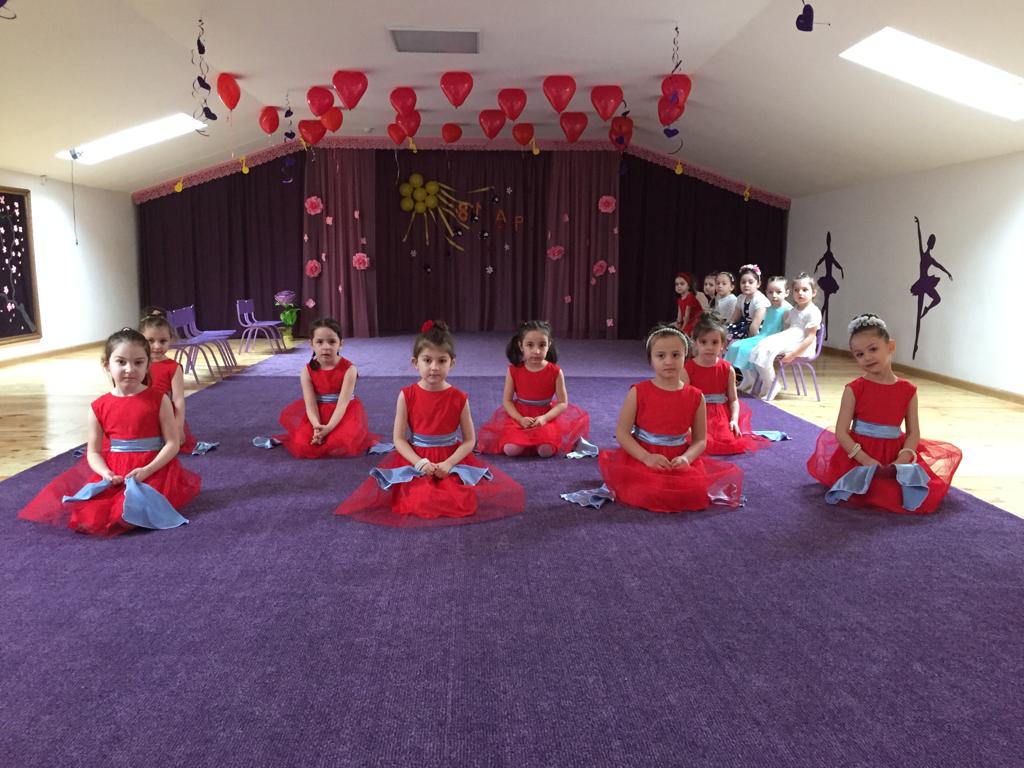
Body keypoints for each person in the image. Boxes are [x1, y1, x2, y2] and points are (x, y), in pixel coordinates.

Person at [336, 320, 525, 526]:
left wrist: (449, 464)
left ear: (452, 363)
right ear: (415, 362)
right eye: (427, 360)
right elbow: (399, 439)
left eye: (441, 361)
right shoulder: (407, 395)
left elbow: (469, 440)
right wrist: (420, 463)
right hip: (416, 458)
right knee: (420, 499)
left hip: (449, 458)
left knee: (458, 500)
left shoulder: (459, 398)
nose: (434, 367)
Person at [18, 329, 200, 536]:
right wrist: (105, 473)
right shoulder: (99, 406)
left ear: (148, 365)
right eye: (121, 362)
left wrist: (148, 470)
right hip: (115, 472)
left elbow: (172, 443)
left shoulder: (159, 400)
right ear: (106, 364)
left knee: (129, 509)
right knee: (90, 515)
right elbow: (94, 452)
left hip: (153, 468)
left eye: (138, 363)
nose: (130, 369)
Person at [807, 314, 962, 514]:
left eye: (873, 349)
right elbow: (841, 432)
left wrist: (904, 456)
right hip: (860, 453)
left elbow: (913, 432)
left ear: (890, 346)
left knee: (899, 492)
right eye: (859, 354)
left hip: (894, 455)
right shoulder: (854, 389)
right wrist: (864, 459)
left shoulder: (908, 390)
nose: (867, 357)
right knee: (866, 491)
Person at [594, 325, 743, 513]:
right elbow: (622, 433)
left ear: (685, 357)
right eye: (661, 356)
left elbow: (700, 440)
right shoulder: (638, 392)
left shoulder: (696, 396)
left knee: (691, 493)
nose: (669, 361)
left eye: (675, 355)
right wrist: (646, 458)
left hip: (678, 458)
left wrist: (687, 458)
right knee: (648, 491)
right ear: (650, 360)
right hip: (644, 454)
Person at [476, 320, 590, 457]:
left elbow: (562, 403)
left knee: (545, 451)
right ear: (521, 346)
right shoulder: (514, 370)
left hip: (545, 416)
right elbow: (507, 401)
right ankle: (525, 441)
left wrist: (545, 418)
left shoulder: (555, 371)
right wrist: (520, 419)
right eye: (530, 345)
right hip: (520, 416)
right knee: (511, 450)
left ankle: (537, 442)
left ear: (549, 345)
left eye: (542, 345)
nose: (536, 351)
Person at [276, 318, 379, 458]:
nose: (326, 347)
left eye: (332, 342)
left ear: (340, 344)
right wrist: (317, 427)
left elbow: (343, 404)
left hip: (343, 412)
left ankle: (331, 431)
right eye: (319, 342)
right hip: (318, 412)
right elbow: (310, 404)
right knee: (303, 443)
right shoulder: (306, 371)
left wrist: (328, 428)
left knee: (340, 443)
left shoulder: (350, 369)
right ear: (311, 345)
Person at [686, 313, 768, 455]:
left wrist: (734, 420)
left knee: (725, 441)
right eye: (704, 342)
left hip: (719, 415)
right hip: (696, 414)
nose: (709, 347)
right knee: (694, 441)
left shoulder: (727, 369)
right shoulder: (688, 368)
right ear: (696, 343)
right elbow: (683, 401)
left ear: (723, 345)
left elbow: (733, 399)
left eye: (714, 342)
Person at [747, 273, 822, 401]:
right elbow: (788, 330)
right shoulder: (794, 310)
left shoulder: (813, 311)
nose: (800, 293)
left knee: (766, 349)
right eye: (796, 290)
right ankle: (769, 382)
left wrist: (793, 355)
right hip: (790, 338)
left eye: (805, 290)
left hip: (801, 345)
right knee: (759, 347)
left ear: (813, 292)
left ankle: (772, 385)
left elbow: (809, 338)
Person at [139, 307, 200, 454]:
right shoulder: (137, 364)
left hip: (163, 414)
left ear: (171, 340)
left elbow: (178, 399)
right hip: (140, 412)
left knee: (164, 445)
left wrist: (178, 426)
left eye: (163, 341)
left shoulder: (173, 367)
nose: (157, 346)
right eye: (150, 341)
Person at [731, 276, 791, 391]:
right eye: (770, 292)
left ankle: (769, 382)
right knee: (735, 346)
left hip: (773, 340)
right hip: (762, 337)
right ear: (766, 292)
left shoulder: (787, 310)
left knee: (748, 350)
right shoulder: (768, 308)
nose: (774, 295)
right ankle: (748, 379)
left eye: (778, 292)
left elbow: (786, 332)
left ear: (786, 292)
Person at [725, 265, 769, 341]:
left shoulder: (760, 299)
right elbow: (734, 318)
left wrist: (749, 342)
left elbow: (755, 326)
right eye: (743, 282)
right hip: (744, 325)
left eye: (750, 282)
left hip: (757, 328)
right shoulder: (741, 297)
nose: (746, 285)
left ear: (758, 284)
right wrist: (727, 328)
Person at [673, 272, 703, 336]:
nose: (679, 286)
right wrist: (678, 324)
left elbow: (687, 317)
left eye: (682, 284)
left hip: (696, 321)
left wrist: (682, 329)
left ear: (688, 286)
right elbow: (679, 315)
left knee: (685, 332)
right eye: (677, 284)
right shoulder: (679, 300)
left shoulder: (690, 297)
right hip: (688, 321)